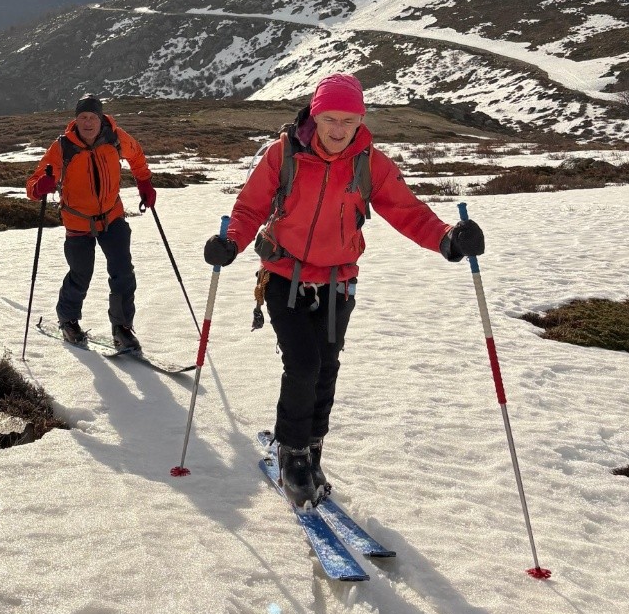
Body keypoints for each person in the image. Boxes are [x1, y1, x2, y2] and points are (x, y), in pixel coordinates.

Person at [203, 73, 484, 507]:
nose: (338, 129)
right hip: (283, 276)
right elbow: (250, 207)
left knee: (326, 366)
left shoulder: (370, 164)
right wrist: (231, 242)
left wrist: (448, 238)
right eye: (330, 119)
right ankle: (292, 452)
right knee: (304, 364)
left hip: (338, 282)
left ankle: (313, 446)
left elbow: (408, 212)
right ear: (314, 117)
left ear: (360, 121)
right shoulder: (284, 155)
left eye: (348, 121)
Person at [26, 95, 157, 351]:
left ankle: (122, 328)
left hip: (112, 216)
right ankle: (68, 319)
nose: (87, 123)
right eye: (83, 118)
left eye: (92, 118)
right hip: (78, 221)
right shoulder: (62, 147)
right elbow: (33, 184)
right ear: (76, 120)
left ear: (101, 119)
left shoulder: (115, 138)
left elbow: (137, 154)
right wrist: (40, 187)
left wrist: (144, 181)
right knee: (80, 274)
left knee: (123, 272)